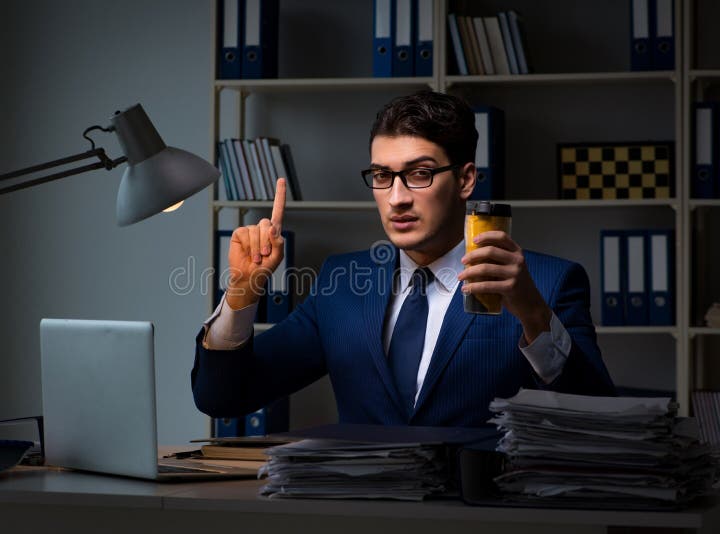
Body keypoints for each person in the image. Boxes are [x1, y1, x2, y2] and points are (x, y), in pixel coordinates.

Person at [192, 91, 615, 427]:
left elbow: (599, 417)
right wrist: (241, 296)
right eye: (382, 176)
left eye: (419, 174)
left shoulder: (550, 281)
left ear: (465, 179)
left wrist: (534, 317)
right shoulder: (343, 282)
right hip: (365, 512)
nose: (397, 198)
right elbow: (224, 398)